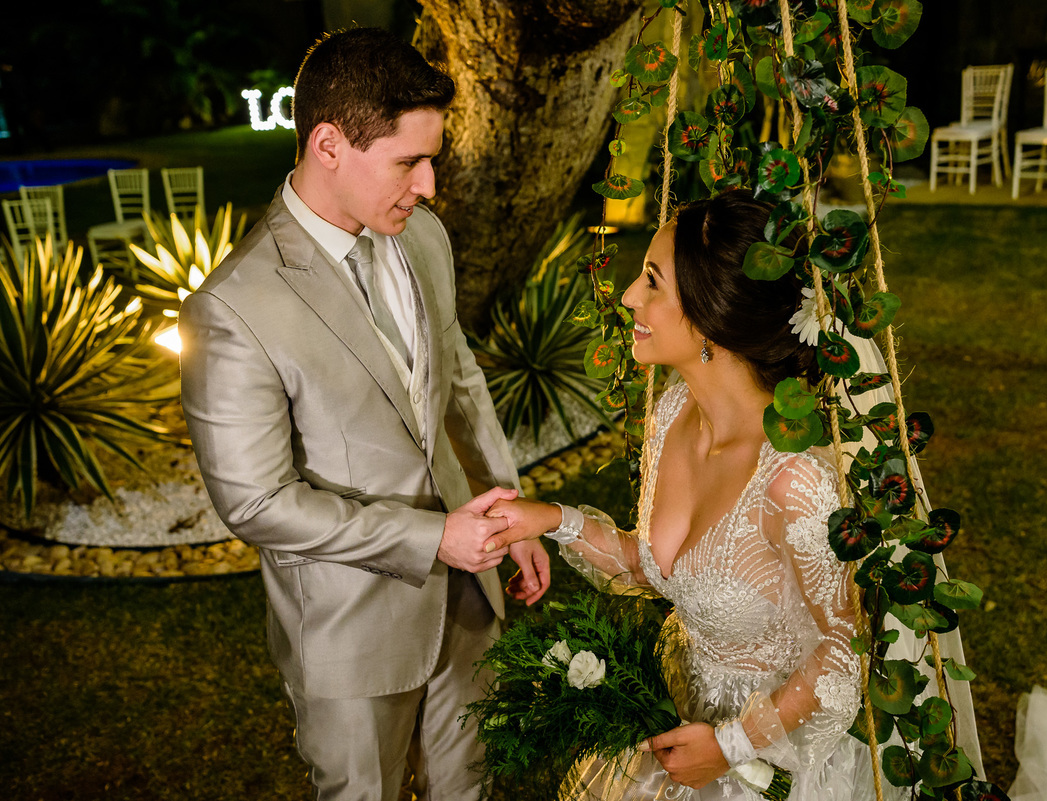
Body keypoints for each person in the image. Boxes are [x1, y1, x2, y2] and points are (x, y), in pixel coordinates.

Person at [484, 189, 983, 799]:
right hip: (683, 717)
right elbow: (653, 565)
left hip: (772, 762)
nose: (627, 296)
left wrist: (732, 746)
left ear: (711, 317)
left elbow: (844, 651)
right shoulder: (672, 413)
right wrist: (550, 519)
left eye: (651, 282)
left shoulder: (794, 482)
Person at [178, 28, 549, 801]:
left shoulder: (423, 238)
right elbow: (256, 501)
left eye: (433, 159)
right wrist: (431, 537)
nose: (430, 186)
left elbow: (459, 379)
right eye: (409, 162)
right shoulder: (234, 308)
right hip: (351, 636)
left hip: (468, 602)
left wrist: (507, 507)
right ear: (328, 144)